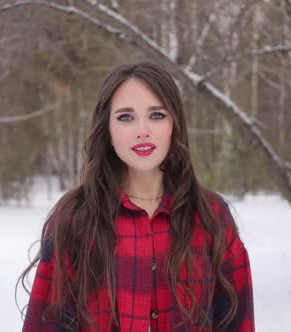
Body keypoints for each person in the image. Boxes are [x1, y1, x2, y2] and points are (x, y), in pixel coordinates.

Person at [19, 62, 254, 331]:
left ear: (174, 124)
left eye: (156, 115)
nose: (142, 130)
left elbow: (237, 323)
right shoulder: (76, 217)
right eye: (125, 117)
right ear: (107, 130)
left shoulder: (212, 215)